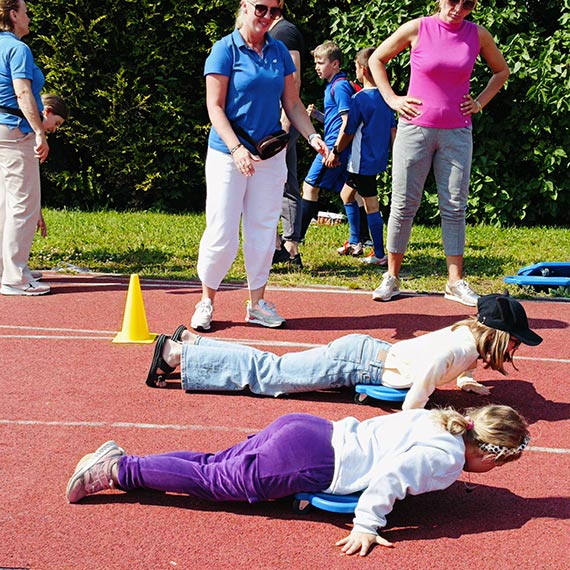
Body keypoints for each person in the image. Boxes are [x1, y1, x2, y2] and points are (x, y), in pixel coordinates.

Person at [66, 404, 530, 556]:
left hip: (308, 428)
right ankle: (116, 470)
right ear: (487, 454)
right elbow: (390, 477)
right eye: (498, 465)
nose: (492, 475)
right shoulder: (448, 456)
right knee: (217, 483)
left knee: (213, 463)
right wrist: (367, 525)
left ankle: (124, 460)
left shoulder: (442, 419)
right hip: (310, 461)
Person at [146, 293, 542, 411]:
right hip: (359, 361)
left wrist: (466, 380)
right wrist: (414, 419)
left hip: (365, 356)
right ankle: (176, 355)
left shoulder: (466, 339)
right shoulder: (458, 346)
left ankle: (195, 345)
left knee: (275, 368)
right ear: (494, 335)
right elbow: (429, 372)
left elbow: (455, 361)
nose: (516, 347)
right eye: (515, 340)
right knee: (272, 376)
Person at [192, 0, 327, 332]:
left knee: (264, 231)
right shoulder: (224, 50)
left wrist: (312, 137)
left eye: (274, 10)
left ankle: (257, 304)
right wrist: (237, 149)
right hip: (228, 155)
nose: (267, 16)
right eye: (261, 9)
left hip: (269, 156)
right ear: (245, 6)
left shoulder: (279, 51)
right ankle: (207, 300)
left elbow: (292, 102)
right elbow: (214, 107)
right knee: (222, 231)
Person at [368, 0, 510, 305]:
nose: (458, 8)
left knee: (455, 207)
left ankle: (455, 281)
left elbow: (501, 71)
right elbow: (376, 59)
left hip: (457, 132)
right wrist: (392, 99)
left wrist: (480, 102)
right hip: (414, 129)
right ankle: (391, 277)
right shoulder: (417, 28)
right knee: (404, 204)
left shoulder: (477, 34)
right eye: (452, 0)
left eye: (467, 3)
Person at [324, 47, 396, 265]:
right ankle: (355, 242)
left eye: (356, 66)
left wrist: (336, 151)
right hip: (375, 159)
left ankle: (380, 254)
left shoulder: (360, 99)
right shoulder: (387, 98)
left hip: (361, 160)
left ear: (363, 69)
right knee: (347, 195)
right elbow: (393, 131)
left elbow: (348, 130)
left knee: (371, 205)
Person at [0, 0, 50, 296]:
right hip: (14, 129)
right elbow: (22, 92)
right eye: (26, 12)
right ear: (14, 15)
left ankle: (8, 268)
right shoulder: (19, 49)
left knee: (4, 203)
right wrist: (39, 132)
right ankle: (15, 277)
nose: (29, 17)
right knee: (23, 205)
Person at [299, 41, 356, 247]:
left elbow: (347, 121)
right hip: (337, 146)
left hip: (332, 148)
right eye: (315, 62)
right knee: (348, 193)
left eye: (321, 62)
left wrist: (336, 151)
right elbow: (336, 120)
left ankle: (297, 238)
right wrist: (317, 115)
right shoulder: (333, 86)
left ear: (335, 64)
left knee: (310, 186)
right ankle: (362, 240)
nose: (317, 67)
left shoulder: (339, 87)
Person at [268, 7, 305, 269]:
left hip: (282, 120)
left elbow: (295, 79)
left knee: (278, 180)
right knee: (284, 179)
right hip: (274, 120)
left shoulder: (285, 31)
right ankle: (284, 248)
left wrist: (284, 118)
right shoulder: (272, 32)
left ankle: (287, 248)